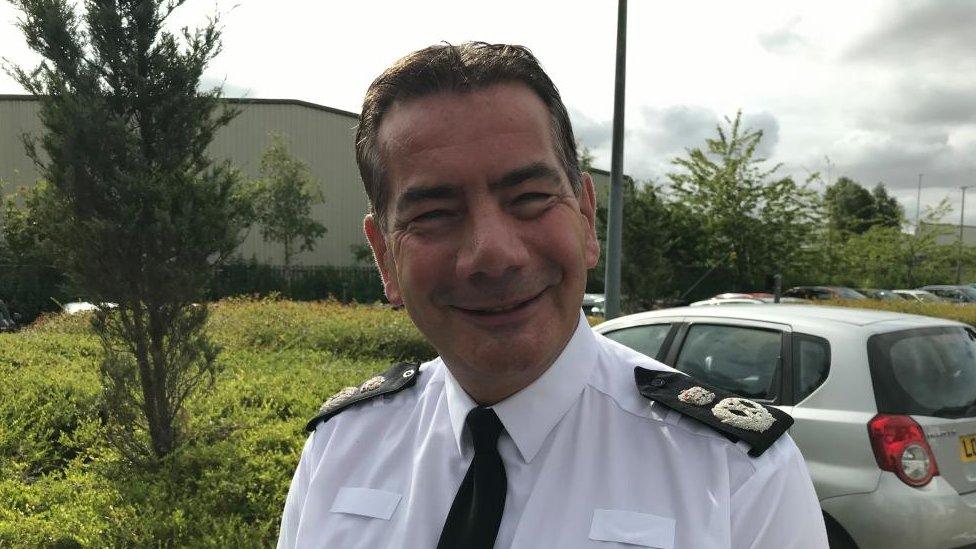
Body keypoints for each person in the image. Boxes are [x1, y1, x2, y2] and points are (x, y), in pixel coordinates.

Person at [277, 42, 828, 549]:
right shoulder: (339, 451)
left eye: (530, 197)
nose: (493, 255)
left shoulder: (737, 477)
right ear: (384, 257)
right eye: (434, 215)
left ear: (587, 218)